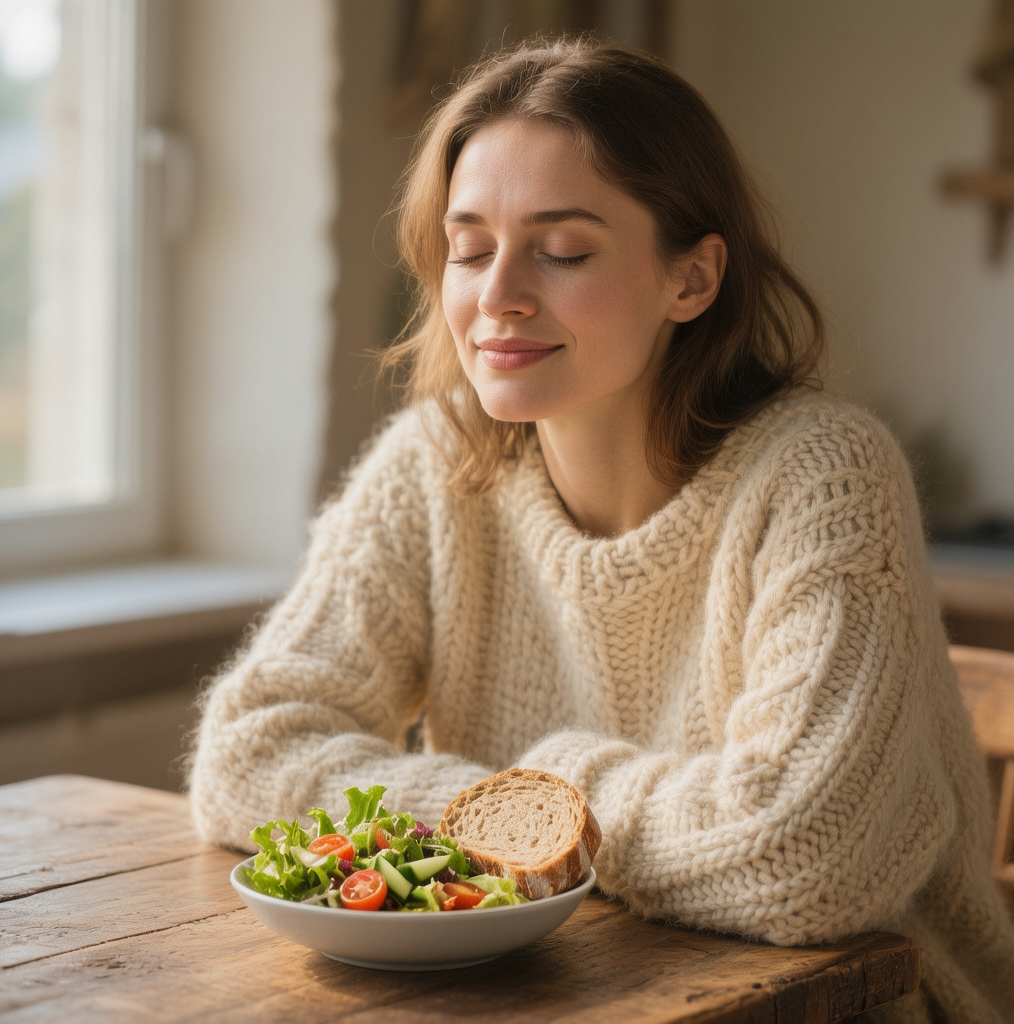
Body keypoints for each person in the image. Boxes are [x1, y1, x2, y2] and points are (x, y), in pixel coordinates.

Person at [189, 38, 1014, 1022]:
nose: (497, 296)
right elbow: (246, 754)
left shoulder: (824, 475)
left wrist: (545, 798)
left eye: (564, 251)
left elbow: (804, 858)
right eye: (469, 249)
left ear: (691, 279)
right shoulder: (434, 460)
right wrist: (494, 814)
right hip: (554, 992)